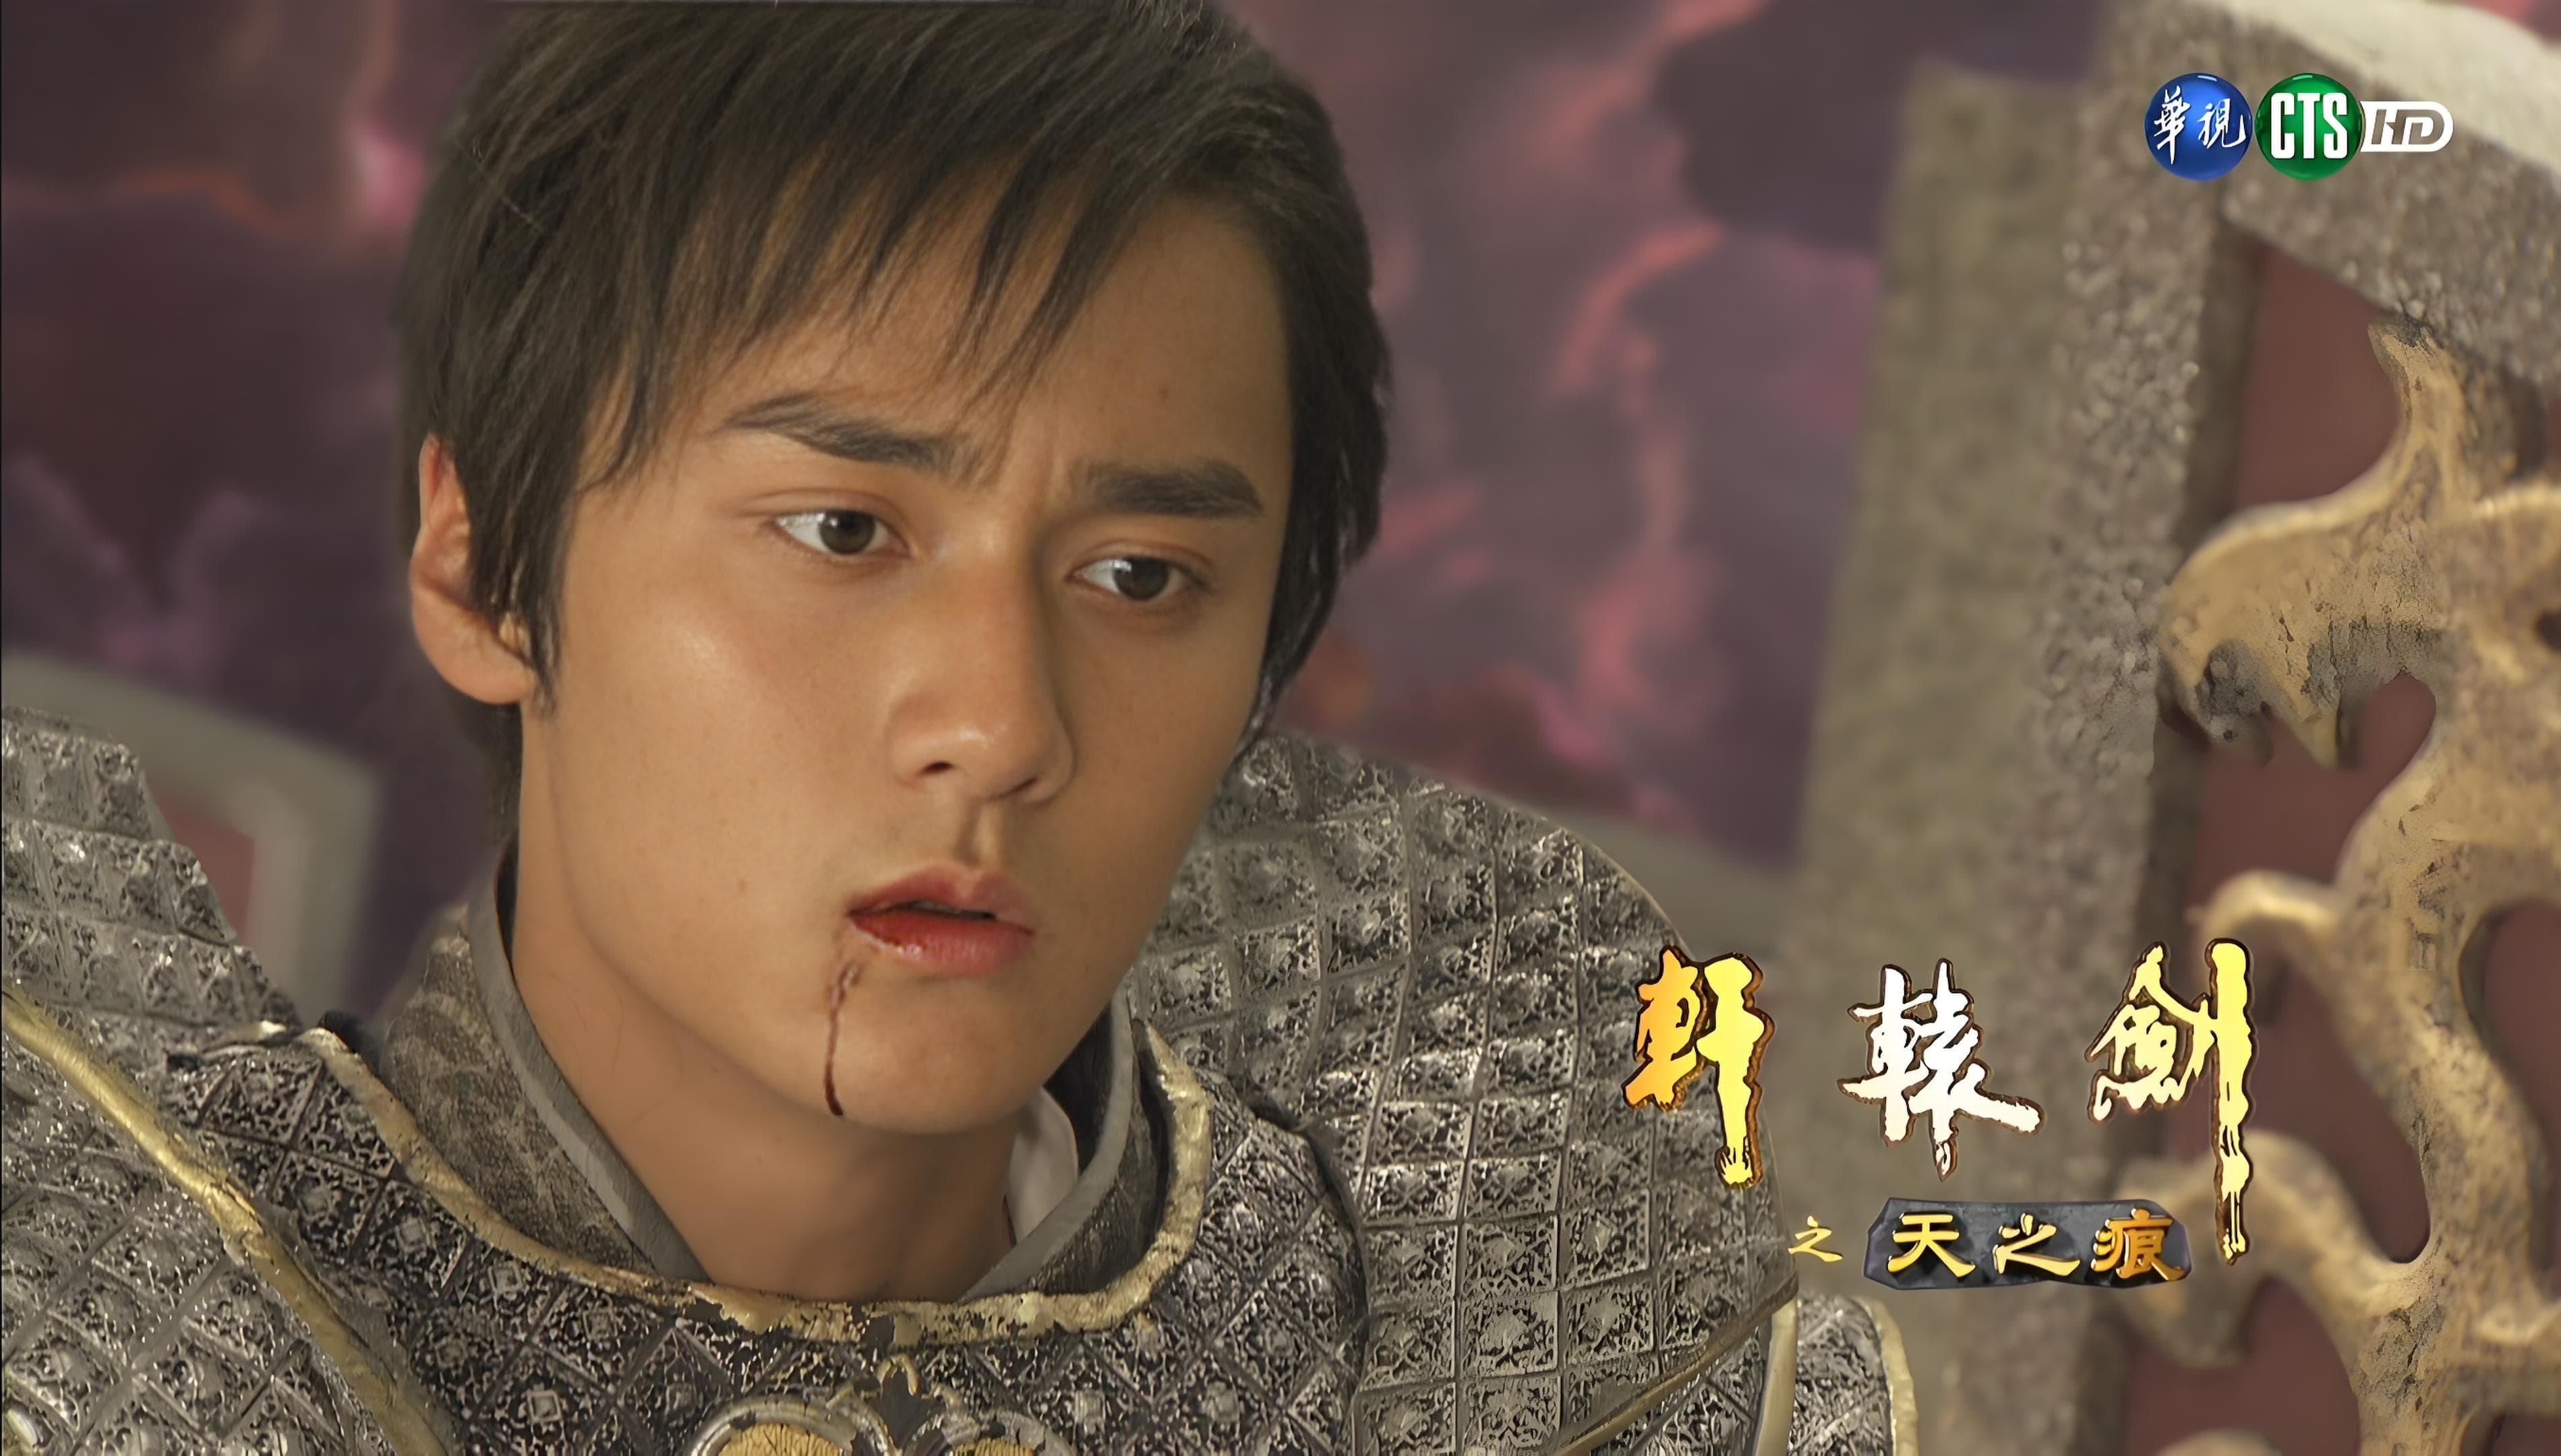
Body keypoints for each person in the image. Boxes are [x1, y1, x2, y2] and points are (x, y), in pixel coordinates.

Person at [0, 3, 1912, 1451]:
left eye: (1142, 576)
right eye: (843, 532)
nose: (1001, 729)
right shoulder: (116, 1323)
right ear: (486, 568)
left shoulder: (1518, 1334)